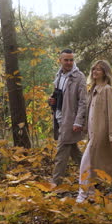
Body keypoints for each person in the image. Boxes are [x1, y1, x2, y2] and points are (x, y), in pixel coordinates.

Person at [76, 60, 112, 203]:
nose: (95, 72)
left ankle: (84, 194)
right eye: (94, 69)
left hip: (102, 135)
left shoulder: (107, 90)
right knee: (100, 166)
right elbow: (90, 114)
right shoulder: (92, 90)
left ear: (105, 72)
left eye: (99, 70)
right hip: (92, 135)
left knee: (89, 165)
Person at [49, 49, 87, 186]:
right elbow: (59, 96)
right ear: (60, 60)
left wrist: (78, 122)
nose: (69, 62)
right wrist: (52, 101)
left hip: (70, 121)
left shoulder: (79, 77)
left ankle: (55, 182)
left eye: (71, 60)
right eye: (66, 60)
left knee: (61, 152)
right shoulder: (59, 76)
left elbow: (83, 102)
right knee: (75, 152)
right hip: (59, 118)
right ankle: (93, 177)